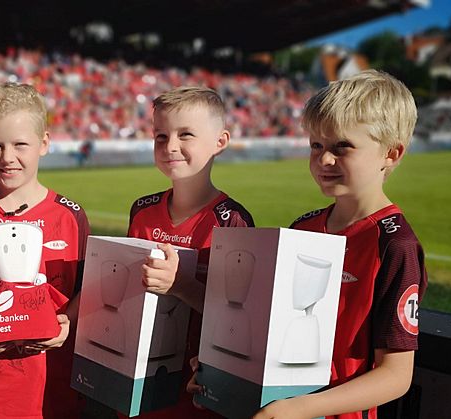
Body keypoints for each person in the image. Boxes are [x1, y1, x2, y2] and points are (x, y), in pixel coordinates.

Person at [253, 70, 428, 419]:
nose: (324, 160)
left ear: (391, 154)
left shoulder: (395, 244)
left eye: (342, 147)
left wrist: (298, 409)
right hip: (277, 405)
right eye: (316, 145)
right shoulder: (304, 227)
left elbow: (396, 376)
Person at [0, 81, 90, 419]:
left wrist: (66, 322)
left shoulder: (71, 215)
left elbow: (84, 290)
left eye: (20, 144)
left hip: (53, 388)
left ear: (44, 144)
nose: (8, 158)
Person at [127, 86, 255, 418]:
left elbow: (242, 320)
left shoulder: (233, 222)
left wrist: (181, 285)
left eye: (186, 135)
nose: (170, 146)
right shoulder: (142, 211)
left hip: (198, 391)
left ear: (220, 142)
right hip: (139, 381)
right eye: (160, 136)